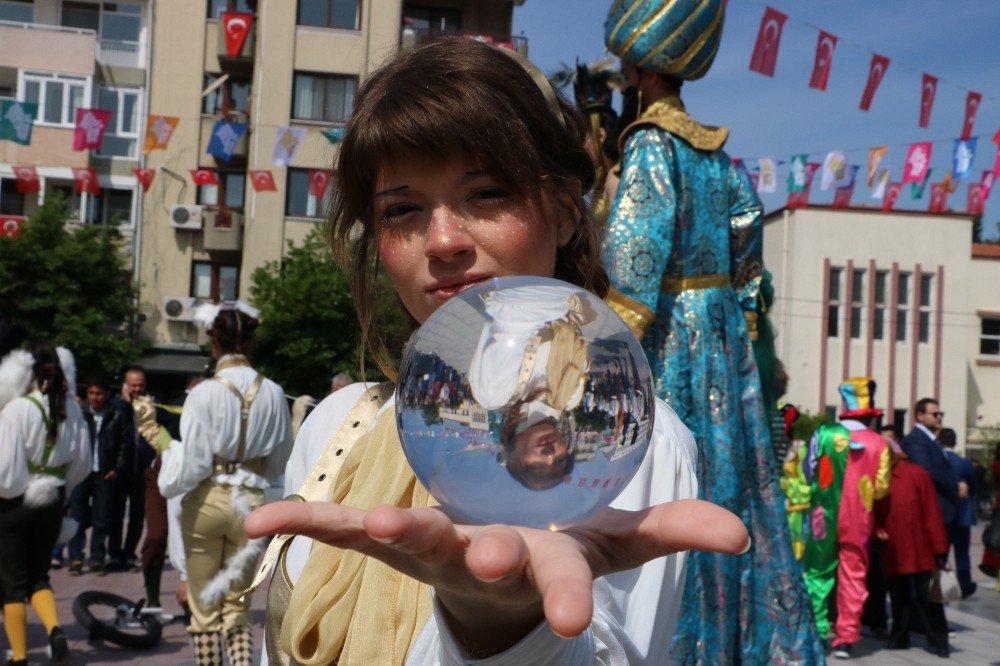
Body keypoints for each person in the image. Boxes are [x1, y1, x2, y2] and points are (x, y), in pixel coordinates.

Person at [240, 36, 749, 666]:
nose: (443, 241)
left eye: (485, 195)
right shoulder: (338, 424)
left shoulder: (624, 439)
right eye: (403, 210)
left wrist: (498, 621)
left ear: (565, 213)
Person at [600, 1, 824, 662]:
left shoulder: (648, 144)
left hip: (670, 329)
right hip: (724, 337)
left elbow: (638, 252)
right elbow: (749, 255)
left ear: (639, 66)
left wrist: (609, 343)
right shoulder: (720, 157)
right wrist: (739, 322)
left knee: (668, 476)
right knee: (734, 482)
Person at [135, 302, 292, 666]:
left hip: (207, 501)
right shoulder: (274, 392)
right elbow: (277, 463)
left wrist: (159, 440)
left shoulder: (203, 393)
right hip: (251, 504)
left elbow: (192, 466)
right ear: (250, 340)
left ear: (214, 341)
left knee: (204, 605)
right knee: (238, 605)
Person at [0, 342, 90, 666]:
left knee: (11, 584)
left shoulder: (16, 409)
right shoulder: (73, 409)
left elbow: (4, 472)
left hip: (15, 506)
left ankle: (20, 657)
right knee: (39, 576)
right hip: (53, 502)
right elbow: (82, 463)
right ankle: (55, 631)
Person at [817, 378, 891, 659]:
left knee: (818, 572)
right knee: (853, 574)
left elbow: (808, 470)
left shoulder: (824, 433)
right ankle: (846, 637)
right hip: (859, 517)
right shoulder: (878, 443)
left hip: (822, 514)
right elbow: (882, 489)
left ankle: (818, 629)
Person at [874, 438, 950, 656]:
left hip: (920, 547)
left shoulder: (916, 474)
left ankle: (939, 639)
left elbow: (932, 512)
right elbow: (871, 513)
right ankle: (899, 636)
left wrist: (939, 548)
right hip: (894, 548)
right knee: (898, 597)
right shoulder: (877, 479)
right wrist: (877, 530)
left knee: (928, 597)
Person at [66, 375, 133, 575]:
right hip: (81, 472)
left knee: (101, 518)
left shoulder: (116, 414)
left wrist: (118, 468)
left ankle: (96, 558)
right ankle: (76, 558)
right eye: (91, 393)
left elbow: (124, 444)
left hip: (105, 472)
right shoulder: (79, 413)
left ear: (107, 395)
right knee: (76, 516)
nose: (95, 397)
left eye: (99, 393)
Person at [900, 398, 964, 528]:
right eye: (935, 414)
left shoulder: (932, 440)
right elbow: (927, 472)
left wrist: (959, 482)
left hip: (942, 510)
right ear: (920, 416)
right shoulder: (915, 440)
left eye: (941, 414)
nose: (939, 417)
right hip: (930, 512)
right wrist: (955, 487)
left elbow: (944, 468)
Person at [938, 427, 977, 599]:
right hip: (962, 514)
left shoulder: (937, 462)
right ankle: (964, 585)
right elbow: (974, 487)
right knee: (962, 553)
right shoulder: (964, 463)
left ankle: (939, 582)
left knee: (942, 552)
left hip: (943, 515)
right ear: (954, 442)